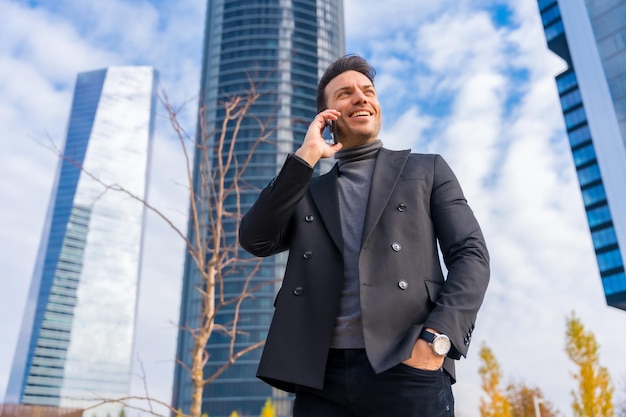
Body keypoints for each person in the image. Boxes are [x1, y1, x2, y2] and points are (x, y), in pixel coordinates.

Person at [239, 54, 490, 416]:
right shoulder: (306, 190)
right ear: (327, 117)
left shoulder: (426, 168)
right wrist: (305, 158)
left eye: (368, 90)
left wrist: (437, 338)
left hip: (406, 362)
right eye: (345, 93)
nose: (360, 97)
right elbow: (256, 239)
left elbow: (471, 256)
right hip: (319, 377)